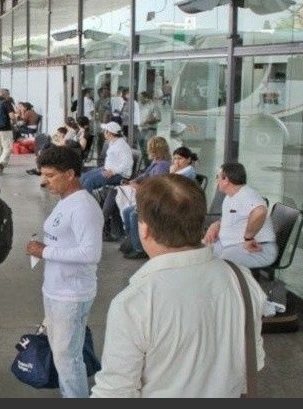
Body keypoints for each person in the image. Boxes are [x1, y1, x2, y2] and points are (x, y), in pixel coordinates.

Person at [91, 174, 268, 398]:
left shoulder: (135, 302)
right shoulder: (240, 278)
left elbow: (115, 392)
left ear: (144, 230)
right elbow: (254, 361)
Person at [25, 145, 103, 398]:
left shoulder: (84, 207)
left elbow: (90, 254)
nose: (44, 182)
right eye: (43, 175)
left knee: (67, 360)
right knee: (64, 355)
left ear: (70, 174)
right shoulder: (66, 202)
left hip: (71, 294)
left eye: (50, 176)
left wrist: (44, 252)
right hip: (57, 289)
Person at [202, 162, 278, 269]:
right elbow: (235, 219)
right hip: (230, 245)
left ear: (226, 180)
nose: (216, 181)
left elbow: (260, 212)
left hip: (258, 248)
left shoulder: (246, 194)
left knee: (219, 266)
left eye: (217, 177)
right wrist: (217, 225)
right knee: (198, 253)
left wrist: (248, 238)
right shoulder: (231, 196)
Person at [102, 135, 171, 243]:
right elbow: (145, 175)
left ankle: (104, 224)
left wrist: (138, 186)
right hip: (143, 190)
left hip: (148, 194)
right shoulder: (157, 162)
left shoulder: (161, 166)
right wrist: (133, 181)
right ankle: (111, 228)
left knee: (114, 192)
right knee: (115, 193)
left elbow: (156, 187)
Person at [79, 121, 133, 193]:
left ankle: (85, 202)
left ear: (109, 133)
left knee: (89, 182)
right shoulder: (113, 142)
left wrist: (113, 172)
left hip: (119, 175)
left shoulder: (121, 145)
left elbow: (128, 163)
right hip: (107, 169)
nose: (103, 133)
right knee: (83, 177)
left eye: (105, 131)